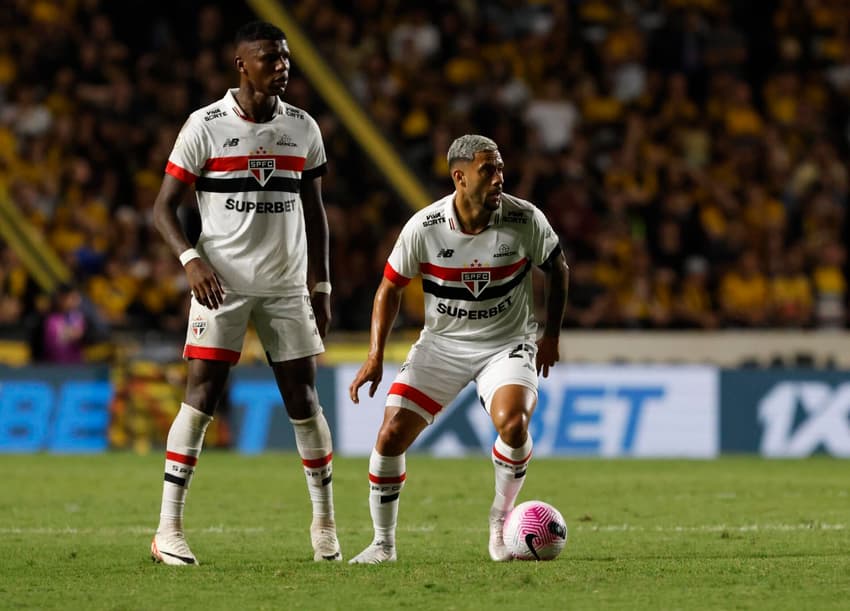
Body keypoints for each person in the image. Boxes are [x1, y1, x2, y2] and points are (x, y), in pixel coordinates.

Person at [149, 20, 340, 565]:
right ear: (241, 64)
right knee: (202, 397)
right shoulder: (204, 126)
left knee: (304, 401)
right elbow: (163, 207)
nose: (281, 66)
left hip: (285, 286)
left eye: (285, 58)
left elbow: (316, 212)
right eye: (269, 58)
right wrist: (191, 260)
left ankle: (324, 526)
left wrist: (321, 283)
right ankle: (168, 530)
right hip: (221, 286)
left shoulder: (303, 128)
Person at [348, 134, 569, 564]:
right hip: (442, 345)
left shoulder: (525, 219)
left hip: (507, 343)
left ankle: (500, 522)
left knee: (514, 423)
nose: (499, 178)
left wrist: (551, 336)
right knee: (391, 435)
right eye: (488, 170)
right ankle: (382, 544)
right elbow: (389, 287)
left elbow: (557, 268)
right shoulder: (425, 227)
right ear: (459, 176)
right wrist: (375, 354)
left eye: (501, 168)